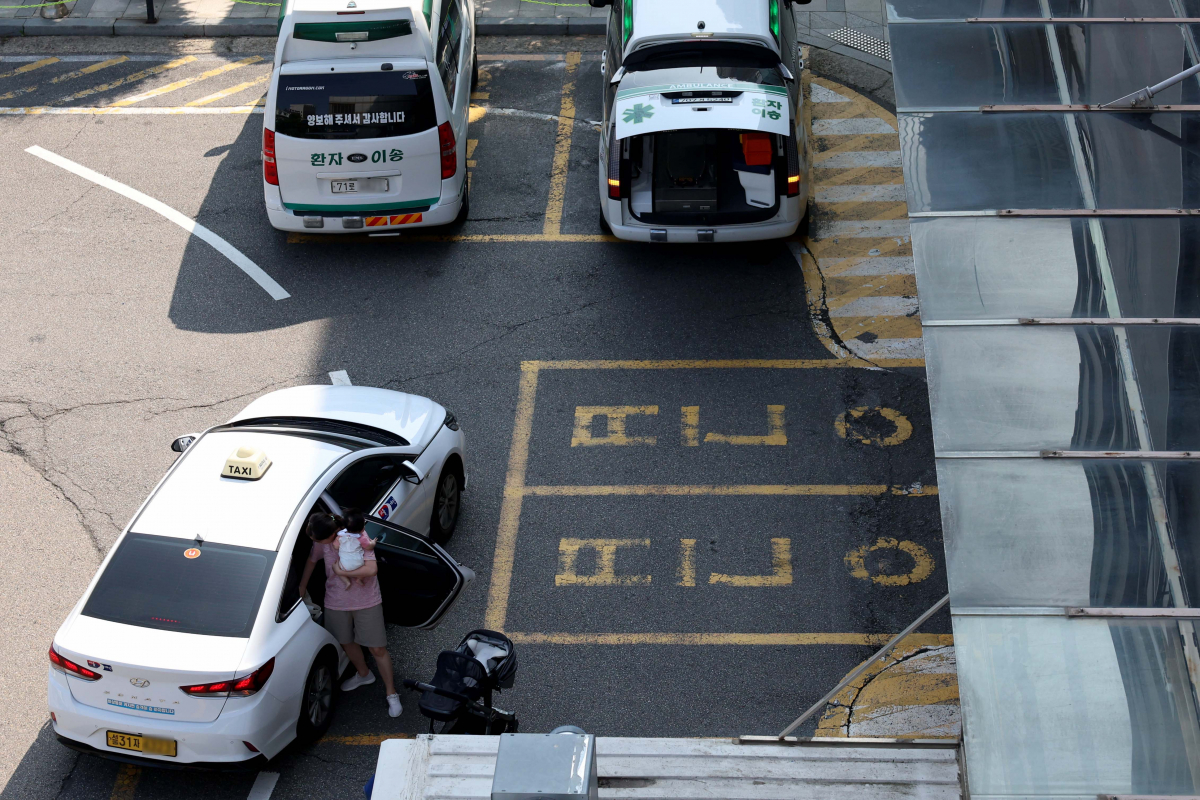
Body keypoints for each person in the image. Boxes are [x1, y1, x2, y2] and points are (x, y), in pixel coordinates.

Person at [298, 512, 402, 718]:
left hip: (367, 600)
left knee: (377, 648)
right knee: (345, 641)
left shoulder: (357, 535)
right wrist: (302, 587)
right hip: (335, 601)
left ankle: (391, 692)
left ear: (332, 534)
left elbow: (371, 569)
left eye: (318, 539)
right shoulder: (321, 542)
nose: (315, 542)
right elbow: (311, 560)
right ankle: (364, 674)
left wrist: (342, 573)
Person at [335, 509, 377, 590]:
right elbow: (369, 547)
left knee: (337, 569)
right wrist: (373, 542)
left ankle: (346, 581)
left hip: (344, 565)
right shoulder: (361, 538)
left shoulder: (340, 536)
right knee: (362, 571)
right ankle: (359, 578)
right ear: (362, 529)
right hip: (358, 564)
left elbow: (335, 547)